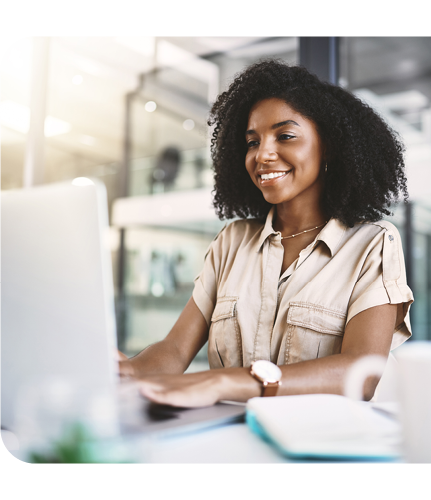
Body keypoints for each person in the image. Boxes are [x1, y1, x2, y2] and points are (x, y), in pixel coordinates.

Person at [118, 60, 413, 407]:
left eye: (285, 136)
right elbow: (175, 349)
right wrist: (127, 371)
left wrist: (225, 381)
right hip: (234, 439)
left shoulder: (372, 244)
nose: (263, 154)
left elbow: (361, 374)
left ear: (329, 146)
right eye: (252, 141)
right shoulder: (232, 242)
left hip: (322, 449)